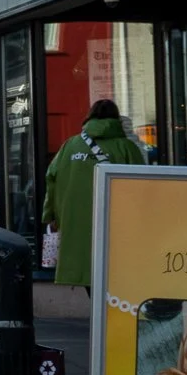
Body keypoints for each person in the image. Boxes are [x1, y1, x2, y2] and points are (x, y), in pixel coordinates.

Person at [41, 99, 148, 288]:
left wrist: (50, 215)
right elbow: (142, 184)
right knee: (114, 269)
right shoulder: (127, 148)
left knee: (85, 268)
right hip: (117, 221)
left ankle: (96, 309)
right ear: (117, 120)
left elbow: (51, 178)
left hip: (74, 219)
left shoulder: (70, 146)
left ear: (89, 117)